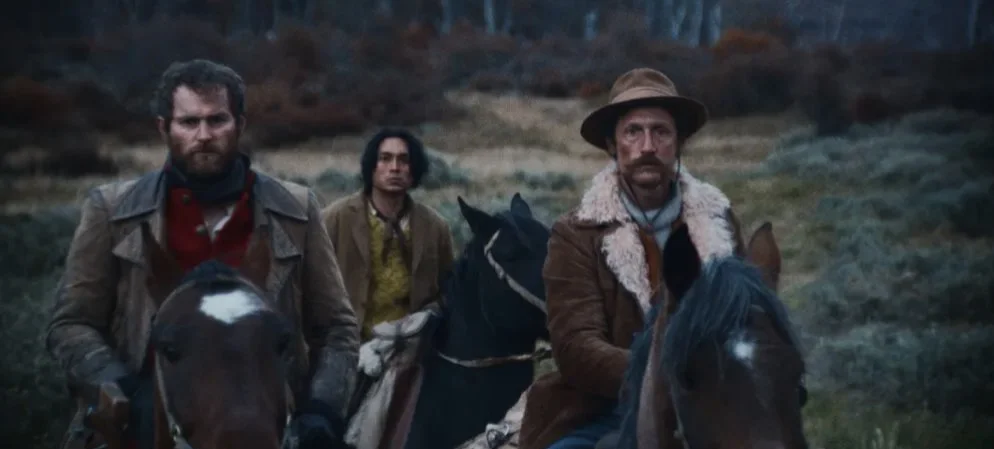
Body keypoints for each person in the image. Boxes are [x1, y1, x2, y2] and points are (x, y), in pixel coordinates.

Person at [46, 59, 360, 449]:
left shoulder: (295, 209)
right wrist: (123, 390)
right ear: (164, 127)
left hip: (270, 429)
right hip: (142, 431)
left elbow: (336, 328)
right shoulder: (112, 211)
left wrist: (322, 409)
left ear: (239, 125)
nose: (204, 135)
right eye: (189, 122)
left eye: (217, 120)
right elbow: (72, 324)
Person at [517, 68, 749, 449]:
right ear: (613, 145)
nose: (647, 146)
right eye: (633, 132)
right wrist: (667, 375)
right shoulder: (577, 233)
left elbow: (746, 324)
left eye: (661, 132)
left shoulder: (718, 222)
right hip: (601, 409)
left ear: (679, 143)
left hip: (710, 405)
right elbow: (575, 347)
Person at [320, 128, 455, 343]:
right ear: (371, 166)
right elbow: (311, 285)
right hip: (346, 343)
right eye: (385, 158)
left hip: (414, 346)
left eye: (403, 160)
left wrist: (425, 318)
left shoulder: (435, 227)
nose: (394, 168)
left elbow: (449, 291)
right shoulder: (335, 219)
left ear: (414, 169)